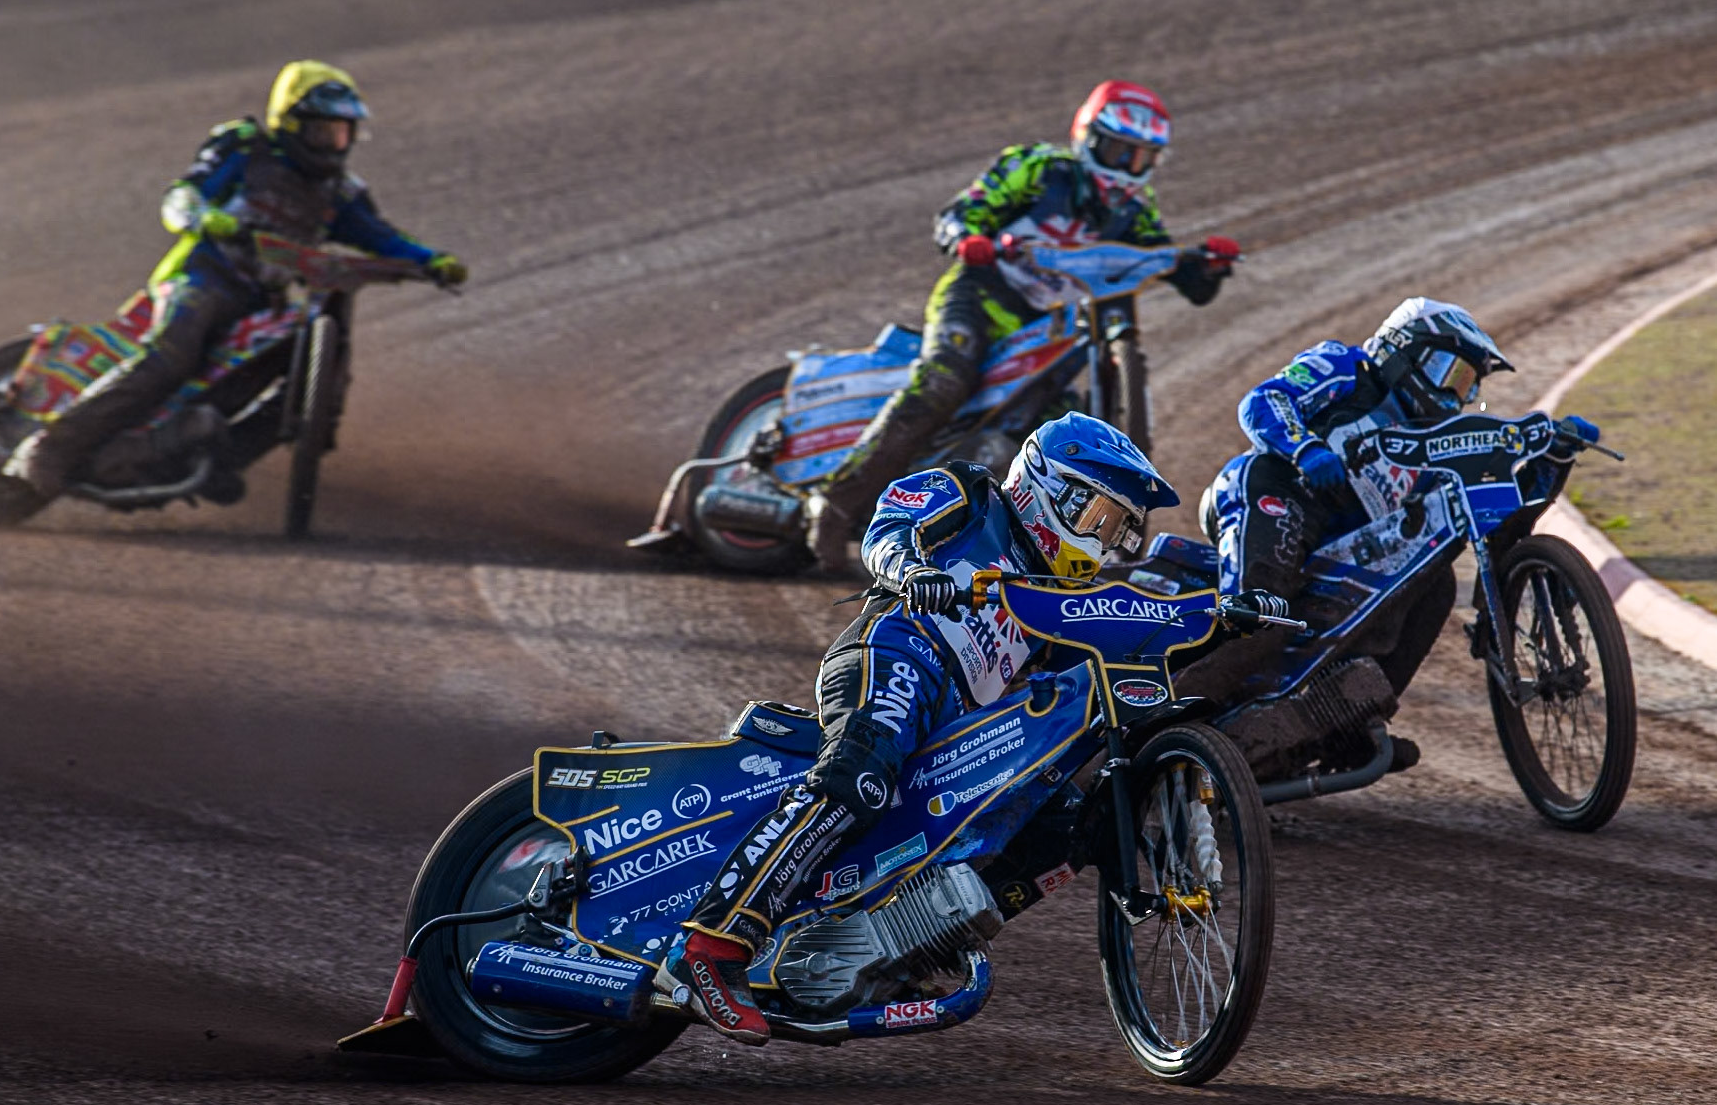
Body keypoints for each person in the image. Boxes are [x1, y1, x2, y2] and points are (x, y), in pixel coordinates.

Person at [657, 412, 1287, 1044]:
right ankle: (709, 949)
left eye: (1119, 529)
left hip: (958, 719)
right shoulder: (968, 491)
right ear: (1050, 489)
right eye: (1096, 518)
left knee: (1064, 820)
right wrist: (911, 570)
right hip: (899, 653)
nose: (1104, 543)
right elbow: (887, 529)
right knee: (860, 778)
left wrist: (1223, 616)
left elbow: (1116, 638)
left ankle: (907, 944)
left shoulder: (1053, 595)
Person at [803, 79, 1238, 573]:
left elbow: (1174, 271)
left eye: (1139, 158)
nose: (1125, 167)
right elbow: (960, 212)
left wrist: (1206, 264)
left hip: (1049, 335)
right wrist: (967, 237)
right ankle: (833, 505)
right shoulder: (1038, 168)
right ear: (1090, 139)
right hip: (981, 299)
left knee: (1058, 431)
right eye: (1118, 150)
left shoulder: (1135, 213)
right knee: (945, 379)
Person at [3, 60, 467, 501]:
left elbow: (381, 237)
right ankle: (49, 448)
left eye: (341, 133)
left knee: (306, 379)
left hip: (262, 304)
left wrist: (433, 261)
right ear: (289, 121)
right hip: (204, 276)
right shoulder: (244, 149)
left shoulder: (342, 193)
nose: (332, 143)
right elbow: (182, 195)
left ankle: (220, 458)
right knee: (171, 355)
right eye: (321, 130)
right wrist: (208, 220)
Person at [1177, 296, 1601, 707]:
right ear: (1404, 349)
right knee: (1263, 622)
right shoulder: (1346, 367)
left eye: (1467, 387)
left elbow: (1490, 515)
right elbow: (1265, 399)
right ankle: (1164, 717)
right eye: (1449, 374)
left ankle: (1354, 716)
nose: (1455, 397)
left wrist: (1550, 455)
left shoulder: (1436, 445)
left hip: (1348, 543)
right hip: (1279, 492)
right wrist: (1306, 449)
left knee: (1437, 586)